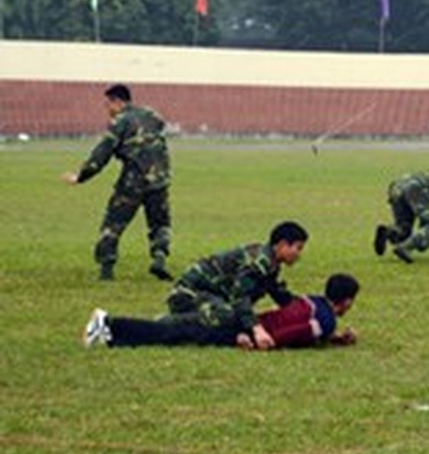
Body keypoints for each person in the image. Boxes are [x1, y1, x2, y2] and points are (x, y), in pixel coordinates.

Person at [62, 84, 173, 281]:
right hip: (160, 179)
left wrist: (81, 176)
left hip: (133, 181)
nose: (107, 110)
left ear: (117, 101)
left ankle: (106, 270)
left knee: (113, 223)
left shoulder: (120, 121)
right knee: (160, 223)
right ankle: (159, 259)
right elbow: (159, 133)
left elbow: (102, 153)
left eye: (108, 105)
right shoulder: (151, 114)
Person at [84, 273, 359, 350]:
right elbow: (292, 333)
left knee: (181, 331)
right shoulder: (325, 319)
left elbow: (297, 323)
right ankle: (108, 324)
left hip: (245, 322)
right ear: (346, 301)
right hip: (242, 331)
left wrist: (336, 339)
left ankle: (115, 328)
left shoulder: (313, 302)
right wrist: (259, 342)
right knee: (176, 335)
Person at [163, 221, 308, 331]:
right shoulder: (260, 262)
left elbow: (277, 293)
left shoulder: (271, 264)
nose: (299, 255)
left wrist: (304, 309)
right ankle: (167, 323)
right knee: (231, 316)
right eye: (298, 248)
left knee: (237, 318)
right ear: (282, 245)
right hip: (188, 294)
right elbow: (240, 297)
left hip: (211, 296)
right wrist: (256, 328)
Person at [373, 173, 429, 263]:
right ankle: (405, 248)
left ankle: (388, 231)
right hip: (415, 189)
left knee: (404, 229)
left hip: (397, 188)